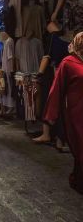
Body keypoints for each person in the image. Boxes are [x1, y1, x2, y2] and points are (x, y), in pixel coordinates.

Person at [43, 32, 83, 194]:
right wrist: (51, 115)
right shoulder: (68, 62)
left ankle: (77, 178)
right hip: (76, 113)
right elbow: (57, 89)